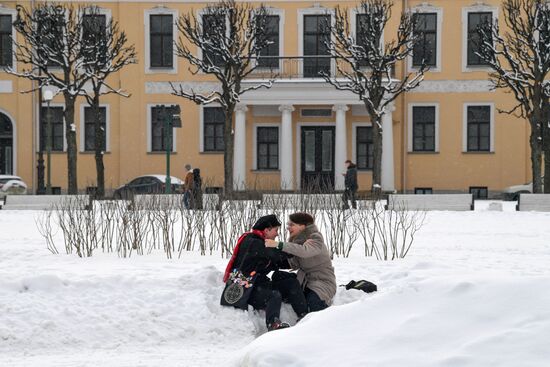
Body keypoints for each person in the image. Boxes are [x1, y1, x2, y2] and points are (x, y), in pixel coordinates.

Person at [222, 215, 298, 331]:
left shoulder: (260, 243)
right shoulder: (253, 243)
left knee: (288, 282)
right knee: (274, 295)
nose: (277, 234)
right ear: (267, 230)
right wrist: (299, 249)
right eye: (276, 230)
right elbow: (276, 254)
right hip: (246, 290)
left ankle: (304, 315)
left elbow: (274, 262)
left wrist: (298, 263)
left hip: (257, 284)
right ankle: (273, 324)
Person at [265, 212, 336, 313]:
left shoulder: (316, 238)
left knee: (314, 304)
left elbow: (305, 251)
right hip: (305, 282)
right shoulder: (298, 244)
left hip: (322, 283)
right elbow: (293, 263)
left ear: (302, 226)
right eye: (288, 225)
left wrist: (278, 244)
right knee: (278, 276)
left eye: (292, 225)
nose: (288, 228)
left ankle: (315, 324)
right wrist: (268, 262)